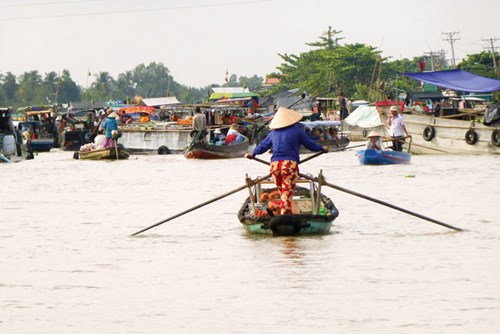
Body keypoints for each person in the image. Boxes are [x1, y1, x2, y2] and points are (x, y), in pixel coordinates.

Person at [245, 107, 328, 215]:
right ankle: (285, 216)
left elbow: (263, 146)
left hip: (274, 167)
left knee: (283, 193)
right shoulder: (298, 131)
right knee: (286, 195)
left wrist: (253, 153)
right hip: (289, 166)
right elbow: (310, 145)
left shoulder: (273, 133)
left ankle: (280, 213)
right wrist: (322, 149)